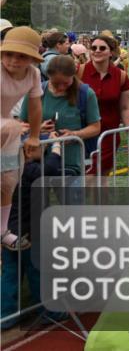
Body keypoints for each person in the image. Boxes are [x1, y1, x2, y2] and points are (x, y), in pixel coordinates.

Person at [6, 55, 100, 249]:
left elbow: (95, 127)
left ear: (74, 76)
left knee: (72, 211)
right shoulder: (36, 92)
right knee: (36, 210)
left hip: (70, 164)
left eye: (65, 83)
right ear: (47, 77)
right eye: (56, 83)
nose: (60, 88)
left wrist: (75, 133)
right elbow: (22, 124)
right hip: (37, 163)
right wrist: (38, 128)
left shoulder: (85, 94)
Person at [0, 27, 43, 247]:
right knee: (11, 127)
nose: (13, 60)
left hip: (5, 125)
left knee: (9, 179)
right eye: (8, 53)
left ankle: (2, 231)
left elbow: (35, 106)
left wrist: (35, 136)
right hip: (5, 125)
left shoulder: (33, 74)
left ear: (31, 59)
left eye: (22, 55)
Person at [79, 34, 129, 175]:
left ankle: (101, 198)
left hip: (108, 135)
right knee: (86, 175)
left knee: (103, 174)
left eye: (102, 48)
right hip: (82, 134)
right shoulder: (79, 71)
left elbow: (125, 108)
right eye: (93, 48)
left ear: (111, 52)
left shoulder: (121, 76)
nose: (97, 51)